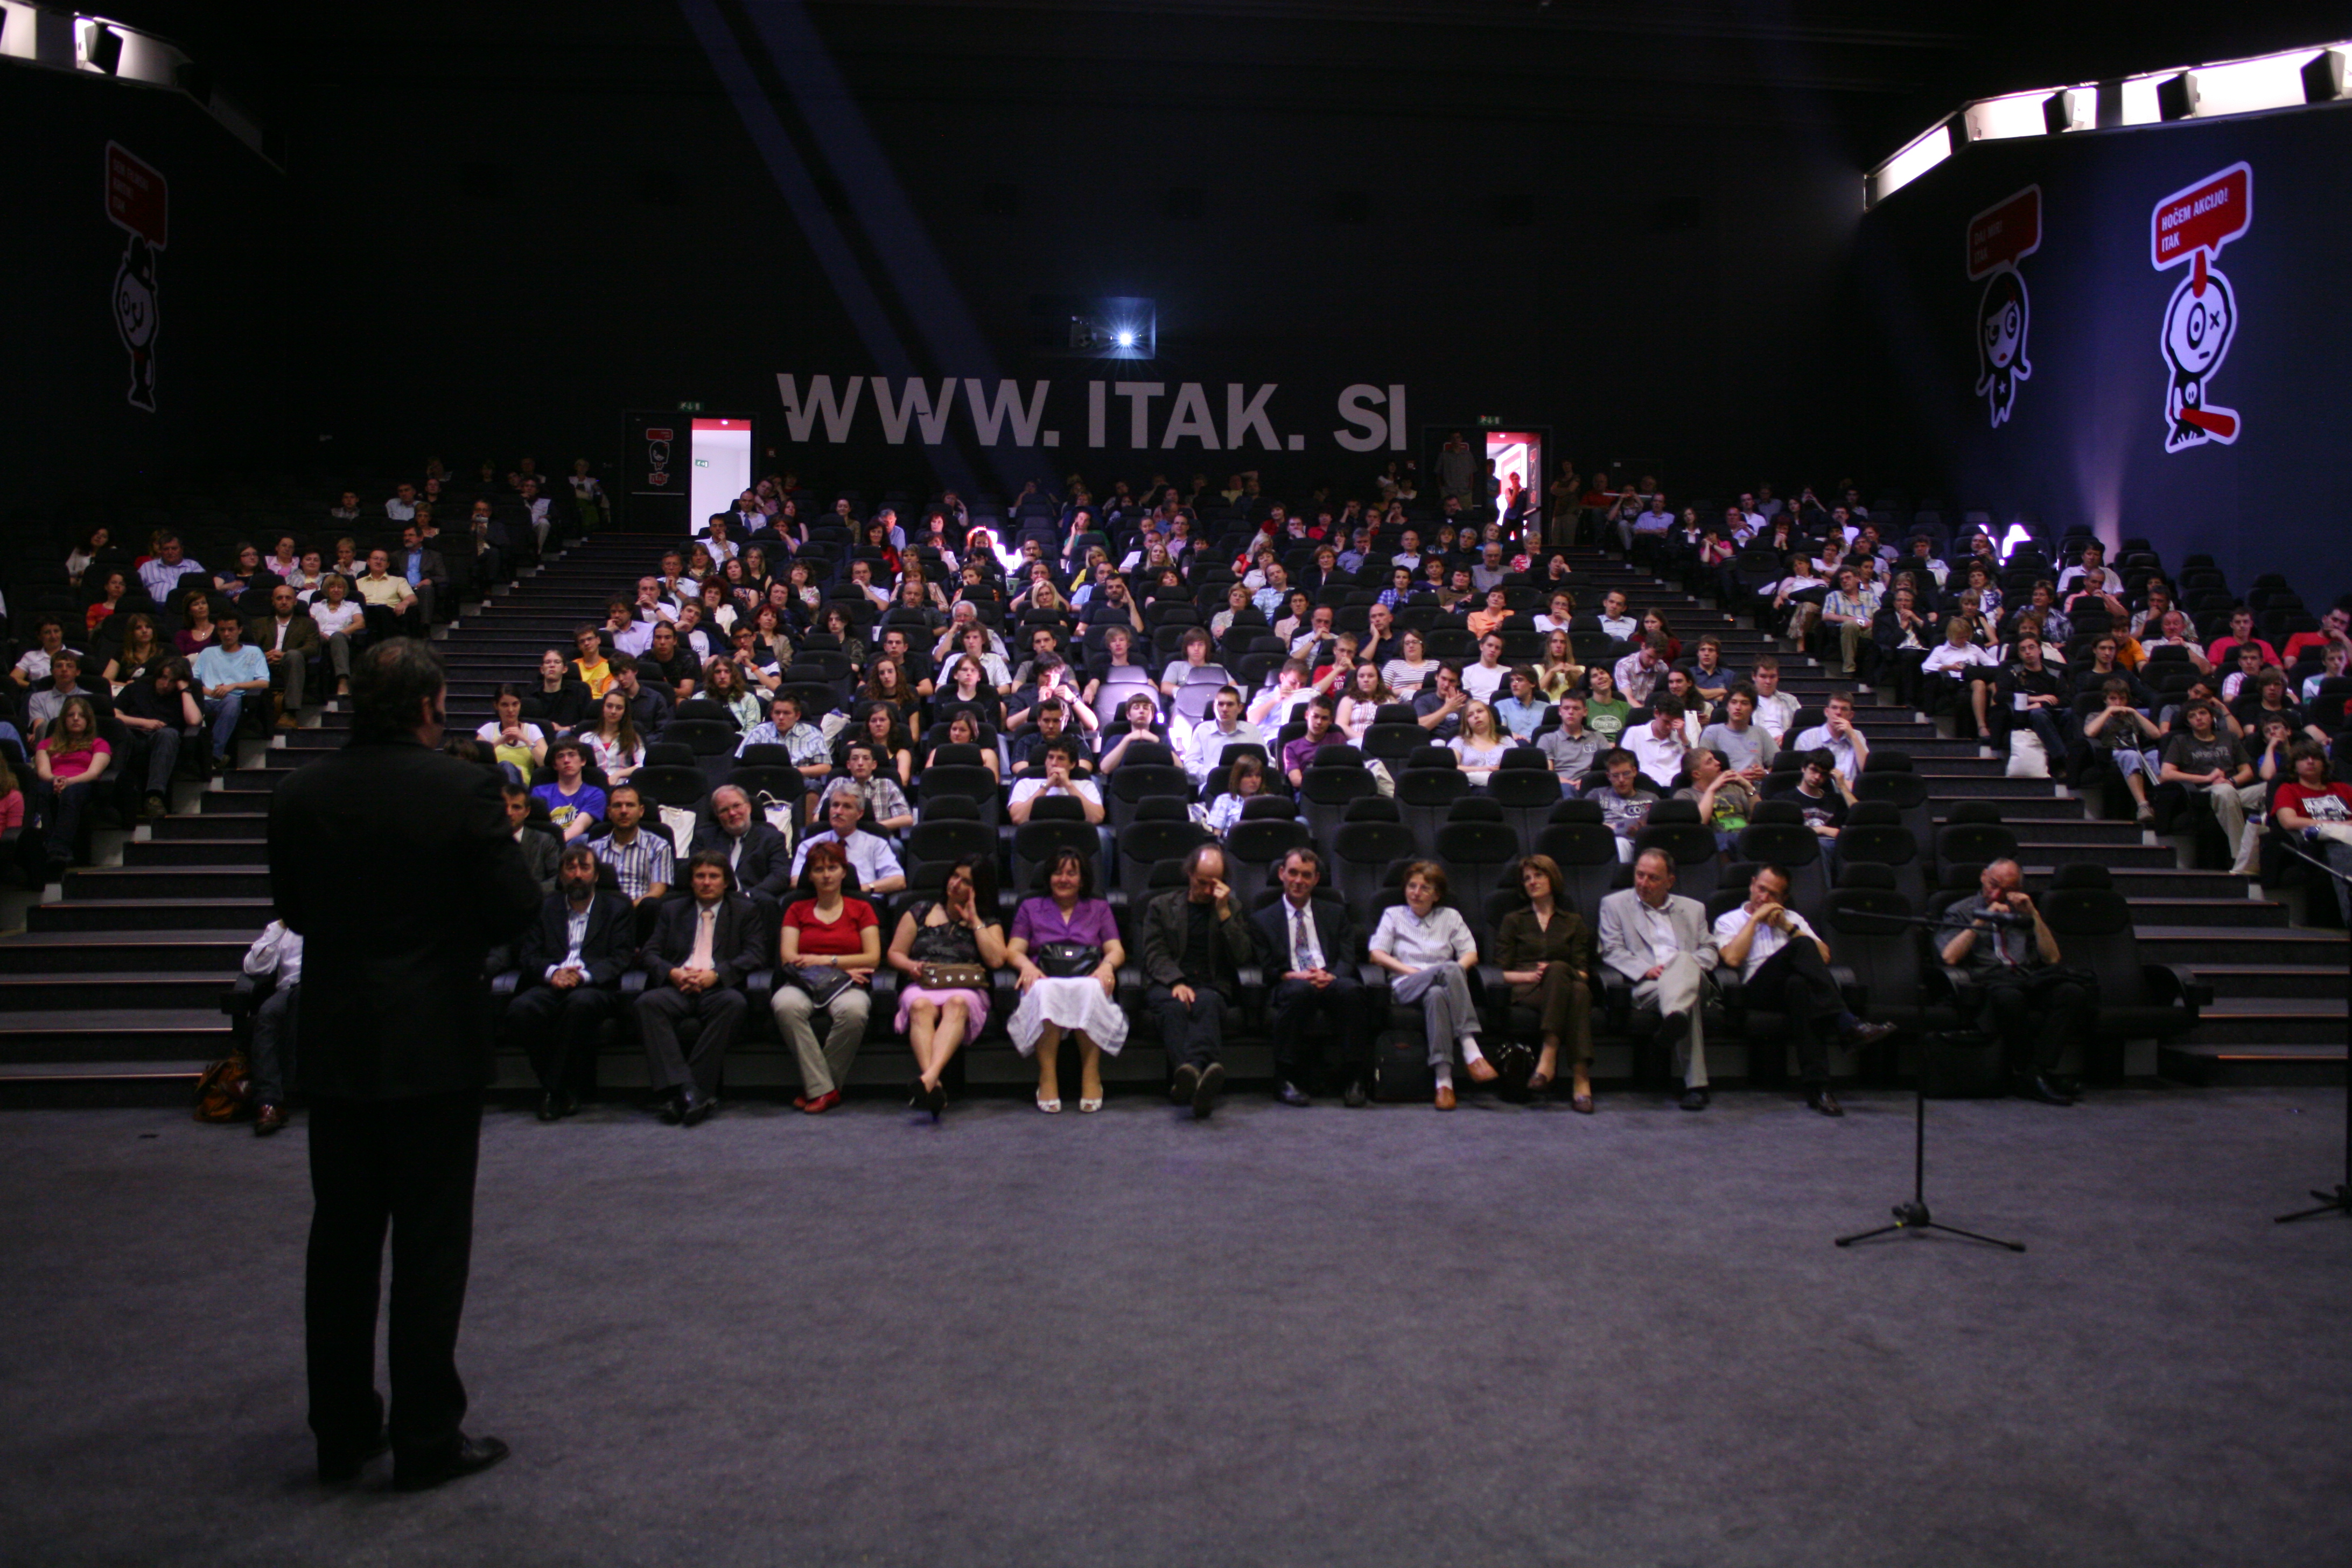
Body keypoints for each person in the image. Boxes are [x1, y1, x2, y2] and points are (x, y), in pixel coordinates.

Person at [267, 638, 540, 1491]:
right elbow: (515, 907)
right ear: (429, 707)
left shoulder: (301, 791)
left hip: (339, 1043)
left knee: (340, 1245)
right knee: (429, 1246)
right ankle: (425, 1439)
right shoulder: (463, 788)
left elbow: (293, 909)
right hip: (434, 1046)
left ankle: (342, 1431)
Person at [1713, 865, 1896, 1116]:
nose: (1764, 898)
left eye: (1773, 894)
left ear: (1784, 898)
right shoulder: (1729, 920)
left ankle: (1819, 1089)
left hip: (1790, 991)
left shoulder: (1793, 919)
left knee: (1800, 985)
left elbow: (1825, 957)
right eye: (1761, 889)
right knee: (1801, 946)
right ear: (1752, 884)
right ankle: (1846, 1023)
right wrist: (1755, 920)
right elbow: (1732, 959)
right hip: (1757, 990)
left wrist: (1788, 927)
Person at [1937, 859, 2091, 1105]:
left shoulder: (2021, 911)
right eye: (1993, 885)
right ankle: (2032, 1075)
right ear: (1983, 877)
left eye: (2007, 890)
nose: (1997, 895)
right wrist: (1980, 921)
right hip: (1990, 980)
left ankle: (2037, 1071)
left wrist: (2034, 915)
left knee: (2072, 992)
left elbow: (2052, 958)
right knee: (2010, 998)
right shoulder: (1960, 910)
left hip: (2026, 978)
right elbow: (1949, 957)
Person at [506, 843, 635, 1121]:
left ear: (596, 875)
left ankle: (552, 1090)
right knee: (521, 1009)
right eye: (570, 868)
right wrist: (554, 973)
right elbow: (528, 955)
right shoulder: (544, 907)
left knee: (579, 1004)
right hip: (551, 983)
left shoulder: (617, 907)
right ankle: (564, 1088)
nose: (577, 874)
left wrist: (582, 976)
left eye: (584, 868)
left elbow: (621, 957)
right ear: (561, 875)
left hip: (594, 986)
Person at [636, 851, 765, 1125]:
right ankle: (691, 1091)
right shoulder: (672, 909)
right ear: (691, 881)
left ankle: (683, 1093)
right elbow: (649, 953)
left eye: (714, 876)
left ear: (726, 882)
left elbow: (755, 954)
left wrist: (716, 975)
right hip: (678, 985)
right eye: (700, 876)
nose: (707, 882)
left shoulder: (745, 910)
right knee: (647, 1003)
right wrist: (673, 973)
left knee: (735, 1004)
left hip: (718, 988)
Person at [1598, 847, 1721, 1110]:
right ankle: (1696, 1086)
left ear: (1670, 881)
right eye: (1640, 875)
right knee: (1688, 1001)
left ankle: (1674, 1018)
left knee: (1684, 961)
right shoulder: (1614, 905)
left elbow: (1710, 949)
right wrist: (1645, 969)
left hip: (1691, 977)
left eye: (1653, 878)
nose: (1644, 883)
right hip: (1648, 984)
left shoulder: (1694, 909)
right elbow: (1611, 950)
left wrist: (1684, 966)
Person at [1139, 843, 1256, 1119]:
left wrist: (1224, 913)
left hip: (1211, 985)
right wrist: (1176, 982)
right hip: (1167, 982)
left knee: (1207, 1002)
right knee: (1175, 1007)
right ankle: (1201, 1078)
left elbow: (1242, 956)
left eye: (1214, 884)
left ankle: (1189, 1078)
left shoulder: (1231, 907)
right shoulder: (1161, 906)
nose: (1207, 890)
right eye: (1202, 882)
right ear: (1190, 873)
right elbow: (1154, 953)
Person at [1005, 848, 1128, 1112]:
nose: (1064, 879)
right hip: (1045, 976)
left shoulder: (1099, 907)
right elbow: (1013, 950)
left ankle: (1091, 1075)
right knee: (1045, 990)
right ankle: (1047, 1077)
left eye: (1072, 874)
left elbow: (1116, 950)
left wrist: (1107, 967)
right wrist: (1027, 967)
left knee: (1090, 988)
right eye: (1058, 873)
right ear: (1049, 877)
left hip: (1088, 976)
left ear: (1082, 880)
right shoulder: (1030, 907)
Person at [886, 855, 1007, 1117]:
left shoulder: (988, 921)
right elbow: (895, 953)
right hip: (923, 984)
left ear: (979, 889)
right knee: (920, 1006)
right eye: (955, 876)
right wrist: (911, 966)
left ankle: (929, 1079)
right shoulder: (919, 910)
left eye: (966, 882)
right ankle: (934, 1084)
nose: (955, 884)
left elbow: (997, 960)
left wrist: (975, 921)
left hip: (966, 988)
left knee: (957, 1003)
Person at [1248, 848, 1368, 1107]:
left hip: (1330, 978)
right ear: (1282, 874)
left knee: (1351, 991)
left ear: (1316, 879)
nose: (1299, 881)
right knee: (1300, 991)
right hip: (1290, 981)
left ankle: (1355, 1077)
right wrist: (1294, 975)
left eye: (1306, 875)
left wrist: (1331, 976)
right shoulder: (1262, 919)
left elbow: (1348, 958)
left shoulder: (1335, 912)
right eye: (1293, 873)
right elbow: (1267, 967)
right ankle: (1285, 1079)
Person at [1369, 860, 1492, 1111]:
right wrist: (1411, 971)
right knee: (1448, 970)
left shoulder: (1450, 917)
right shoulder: (1394, 914)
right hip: (1405, 985)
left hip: (1443, 987)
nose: (1416, 893)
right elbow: (1376, 954)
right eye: (1411, 886)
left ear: (1436, 895)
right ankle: (1471, 1050)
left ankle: (1444, 1083)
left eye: (1425, 888)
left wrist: (1453, 974)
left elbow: (1471, 954)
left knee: (1437, 994)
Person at [771, 840, 883, 1115]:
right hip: (804, 982)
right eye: (819, 870)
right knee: (785, 1005)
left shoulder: (862, 908)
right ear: (810, 875)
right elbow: (788, 958)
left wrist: (825, 961)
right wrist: (843, 965)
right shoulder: (796, 908)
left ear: (844, 871)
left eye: (833, 868)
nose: (826, 875)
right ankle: (826, 1090)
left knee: (855, 1012)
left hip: (847, 984)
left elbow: (872, 958)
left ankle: (817, 1088)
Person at [1494, 855, 1596, 1111]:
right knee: (1577, 992)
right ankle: (1581, 1080)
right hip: (1527, 989)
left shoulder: (1573, 922)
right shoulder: (1514, 920)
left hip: (1564, 983)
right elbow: (1499, 973)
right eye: (1527, 878)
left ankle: (1548, 1059)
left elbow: (1583, 973)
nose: (1532, 882)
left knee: (1570, 980)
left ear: (1553, 879)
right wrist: (1532, 976)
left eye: (1539, 875)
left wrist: (1554, 971)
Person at [2159, 699, 2263, 873]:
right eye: (2192, 716)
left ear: (2212, 716)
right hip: (2203, 793)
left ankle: (2265, 847)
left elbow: (2248, 772)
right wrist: (2206, 778)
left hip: (2232, 788)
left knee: (2271, 788)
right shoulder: (2180, 740)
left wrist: (2232, 781)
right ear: (2188, 722)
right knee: (2225, 792)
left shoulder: (2229, 738)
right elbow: (2167, 773)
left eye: (2203, 713)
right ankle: (2241, 857)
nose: (2198, 718)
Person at [31, 696, 111, 877]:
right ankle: (48, 847)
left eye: (81, 715)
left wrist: (68, 782)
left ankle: (58, 851)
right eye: (71, 715)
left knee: (71, 792)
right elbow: (43, 771)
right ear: (63, 720)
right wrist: (55, 780)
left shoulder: (99, 743)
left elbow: (94, 773)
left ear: (88, 720)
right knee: (41, 791)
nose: (76, 719)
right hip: (54, 781)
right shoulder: (46, 744)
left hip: (82, 784)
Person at [2274, 739, 2352, 923]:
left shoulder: (2343, 789)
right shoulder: (2288, 790)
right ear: (2294, 765)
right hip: (2319, 843)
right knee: (2341, 849)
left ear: (2324, 764)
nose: (2310, 761)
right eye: (2303, 758)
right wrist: (2334, 825)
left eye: (2316, 758)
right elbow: (2289, 821)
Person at [242, 918, 304, 1136]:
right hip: (289, 990)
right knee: (268, 1013)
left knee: (301, 1000)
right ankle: (268, 1103)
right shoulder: (283, 928)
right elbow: (253, 967)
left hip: (329, 991)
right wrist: (280, 929)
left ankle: (285, 1086)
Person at [790, 789, 907, 894]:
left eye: (847, 807)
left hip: (863, 899)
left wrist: (865, 888)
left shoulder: (876, 844)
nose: (838, 812)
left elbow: (898, 880)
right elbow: (796, 881)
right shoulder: (810, 844)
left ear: (860, 814)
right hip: (822, 900)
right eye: (835, 805)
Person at [193, 613, 270, 767]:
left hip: (233, 699)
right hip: (206, 698)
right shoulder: (207, 652)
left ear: (240, 630)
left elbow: (264, 683)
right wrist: (210, 692)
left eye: (231, 629)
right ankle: (211, 756)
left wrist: (233, 686)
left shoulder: (253, 652)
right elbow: (192, 681)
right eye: (222, 630)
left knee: (232, 702)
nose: (227, 634)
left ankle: (212, 752)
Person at [590, 783, 673, 913]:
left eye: (630, 805)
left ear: (641, 811)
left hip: (639, 913)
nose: (624, 811)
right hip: (603, 914)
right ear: (609, 812)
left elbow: (657, 891)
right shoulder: (593, 850)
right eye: (618, 806)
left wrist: (625, 910)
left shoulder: (659, 846)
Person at [529, 741, 605, 842]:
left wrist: (558, 844)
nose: (566, 760)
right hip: (546, 844)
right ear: (555, 765)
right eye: (561, 756)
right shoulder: (539, 792)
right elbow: (540, 828)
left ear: (583, 761)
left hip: (575, 845)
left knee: (584, 839)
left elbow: (580, 826)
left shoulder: (595, 794)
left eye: (572, 755)